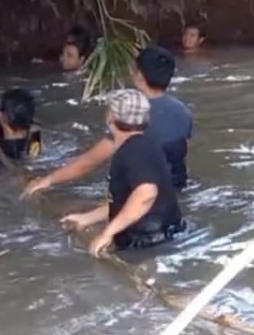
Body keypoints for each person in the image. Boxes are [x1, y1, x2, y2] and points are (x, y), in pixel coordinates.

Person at [25, 45, 194, 196]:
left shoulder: (132, 114)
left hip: (142, 199)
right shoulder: (183, 111)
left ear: (139, 76)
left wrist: (47, 180)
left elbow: (90, 162)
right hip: (178, 191)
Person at [59, 89, 185, 257]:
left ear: (111, 117)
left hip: (150, 244)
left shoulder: (134, 151)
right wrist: (86, 219)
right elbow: (126, 202)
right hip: (162, 238)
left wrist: (107, 234)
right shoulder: (144, 145)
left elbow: (145, 195)